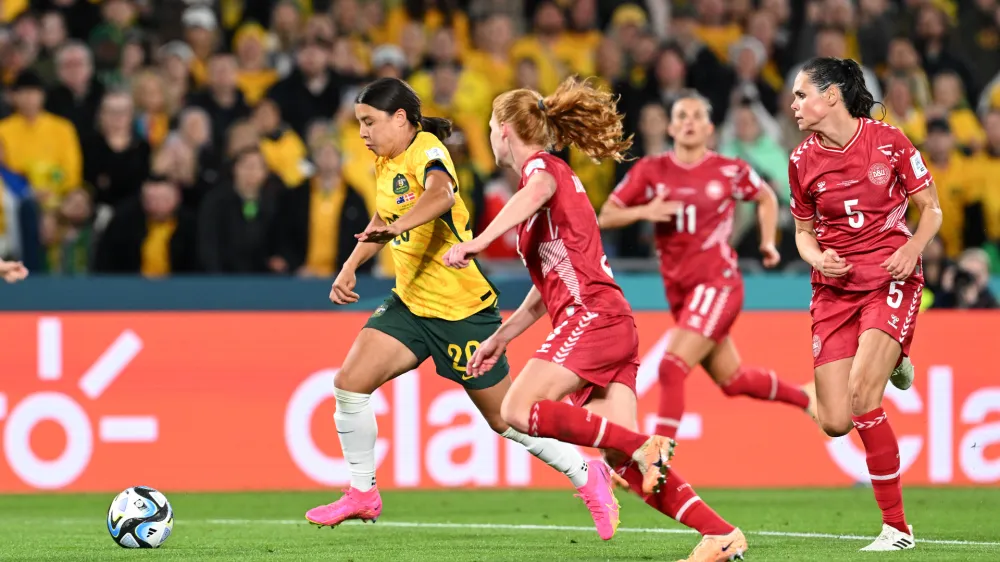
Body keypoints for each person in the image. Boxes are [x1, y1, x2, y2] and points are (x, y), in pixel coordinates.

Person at [444, 77, 748, 562]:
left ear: (504, 131)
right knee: (621, 462)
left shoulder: (542, 170)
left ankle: (645, 444)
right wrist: (503, 335)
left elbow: (539, 185)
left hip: (592, 318)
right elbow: (545, 292)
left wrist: (480, 242)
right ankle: (720, 533)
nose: (488, 137)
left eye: (489, 128)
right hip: (608, 321)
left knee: (518, 409)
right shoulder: (545, 193)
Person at [304, 77, 620, 540]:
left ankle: (586, 472)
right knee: (349, 384)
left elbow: (440, 196)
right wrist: (351, 265)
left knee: (504, 420)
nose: (364, 132)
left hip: (461, 311)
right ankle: (362, 493)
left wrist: (395, 233)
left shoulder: (429, 149)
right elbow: (385, 214)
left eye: (370, 122)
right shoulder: (384, 160)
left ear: (401, 119)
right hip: (411, 304)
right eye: (359, 124)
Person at [598, 90, 817, 441]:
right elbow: (606, 214)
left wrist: (766, 241)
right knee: (733, 380)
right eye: (682, 116)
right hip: (680, 291)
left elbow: (764, 197)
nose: (689, 123)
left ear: (710, 129)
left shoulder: (728, 169)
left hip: (718, 283)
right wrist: (646, 212)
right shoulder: (651, 170)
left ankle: (659, 454)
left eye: (697, 116)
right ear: (670, 126)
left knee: (671, 367)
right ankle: (807, 398)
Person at [788, 57, 943, 551]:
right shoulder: (800, 160)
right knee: (835, 421)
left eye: (800, 94)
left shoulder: (889, 141)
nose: (793, 105)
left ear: (830, 96)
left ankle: (897, 529)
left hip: (889, 277)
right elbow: (802, 234)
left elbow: (932, 210)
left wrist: (911, 249)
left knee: (862, 399)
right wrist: (819, 259)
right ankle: (896, 358)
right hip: (833, 289)